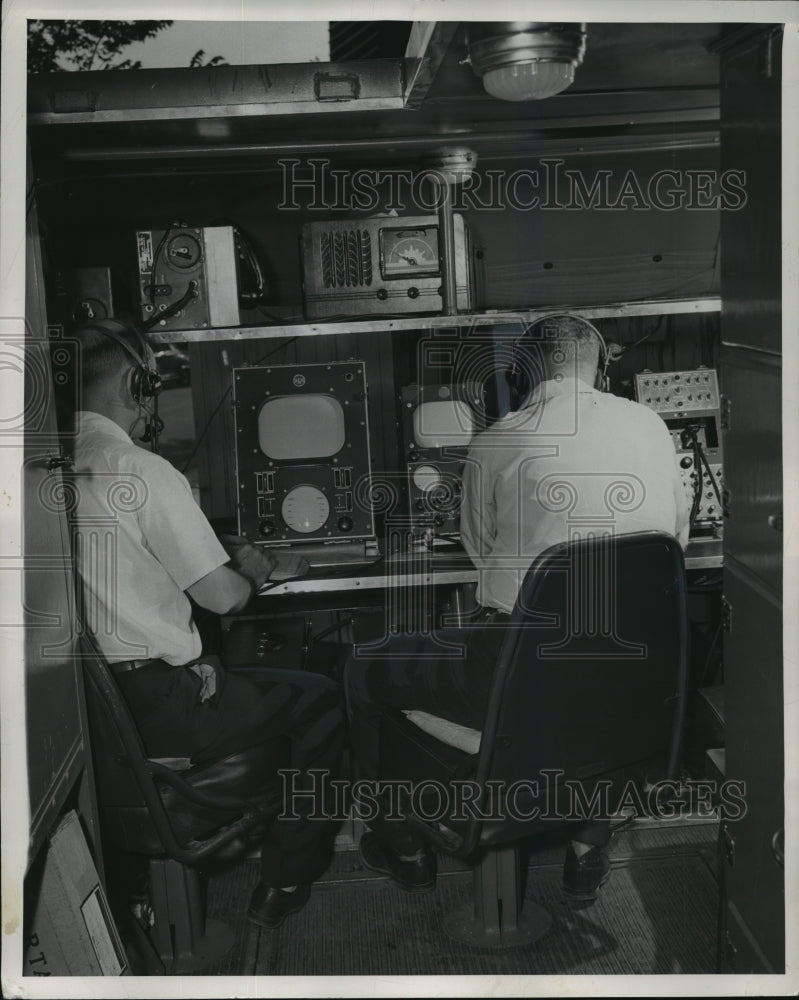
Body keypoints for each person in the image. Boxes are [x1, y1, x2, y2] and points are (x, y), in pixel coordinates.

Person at [345, 313, 690, 903]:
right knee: (583, 685)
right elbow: (672, 546)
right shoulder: (654, 425)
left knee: (362, 666)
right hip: (635, 677)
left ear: (523, 372)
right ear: (602, 368)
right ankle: (589, 841)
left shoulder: (499, 439)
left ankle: (402, 839)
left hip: (525, 667)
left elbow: (482, 554)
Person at [67, 317, 344, 930]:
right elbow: (224, 600)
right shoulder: (139, 470)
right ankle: (287, 878)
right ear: (138, 382)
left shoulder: (44, 467)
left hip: (89, 707)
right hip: (161, 706)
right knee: (323, 700)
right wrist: (255, 568)